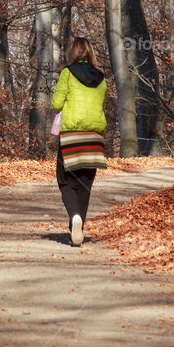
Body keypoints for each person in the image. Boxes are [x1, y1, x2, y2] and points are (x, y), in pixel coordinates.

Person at [50, 36, 107, 246]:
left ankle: (74, 216)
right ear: (90, 52)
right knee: (85, 182)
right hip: (94, 136)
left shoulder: (67, 73)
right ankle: (80, 224)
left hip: (71, 135)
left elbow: (56, 103)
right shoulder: (101, 77)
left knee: (65, 180)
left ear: (72, 53)